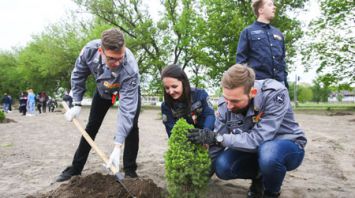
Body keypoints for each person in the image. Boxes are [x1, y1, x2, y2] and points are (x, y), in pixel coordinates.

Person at [187, 64, 306, 198]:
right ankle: (259, 177)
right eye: (226, 99)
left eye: (234, 101)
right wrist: (200, 177)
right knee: (222, 166)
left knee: (269, 154)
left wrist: (217, 138)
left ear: (252, 93)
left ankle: (271, 192)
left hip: (286, 147)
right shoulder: (225, 104)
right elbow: (215, 146)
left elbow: (260, 139)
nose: (229, 106)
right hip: (254, 151)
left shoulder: (274, 93)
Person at [56, 28, 141, 182]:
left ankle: (130, 171)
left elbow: (127, 110)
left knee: (132, 126)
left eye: (120, 58)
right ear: (101, 51)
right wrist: (76, 103)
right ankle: (75, 169)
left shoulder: (130, 68)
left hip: (126, 90)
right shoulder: (89, 51)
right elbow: (78, 74)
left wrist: (117, 146)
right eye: (112, 59)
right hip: (103, 91)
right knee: (92, 126)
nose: (117, 63)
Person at [236, 0, 288, 88]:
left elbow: (282, 61)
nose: (274, 7)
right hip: (258, 84)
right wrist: (245, 86)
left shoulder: (278, 33)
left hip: (279, 84)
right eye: (270, 5)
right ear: (261, 10)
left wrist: (285, 84)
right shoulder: (248, 32)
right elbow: (241, 62)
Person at [160, 64, 215, 137]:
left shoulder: (200, 94)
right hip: (184, 141)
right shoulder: (166, 106)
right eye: (167, 88)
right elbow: (171, 131)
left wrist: (205, 134)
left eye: (174, 86)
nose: (171, 91)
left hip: (205, 138)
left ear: (183, 82)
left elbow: (210, 115)